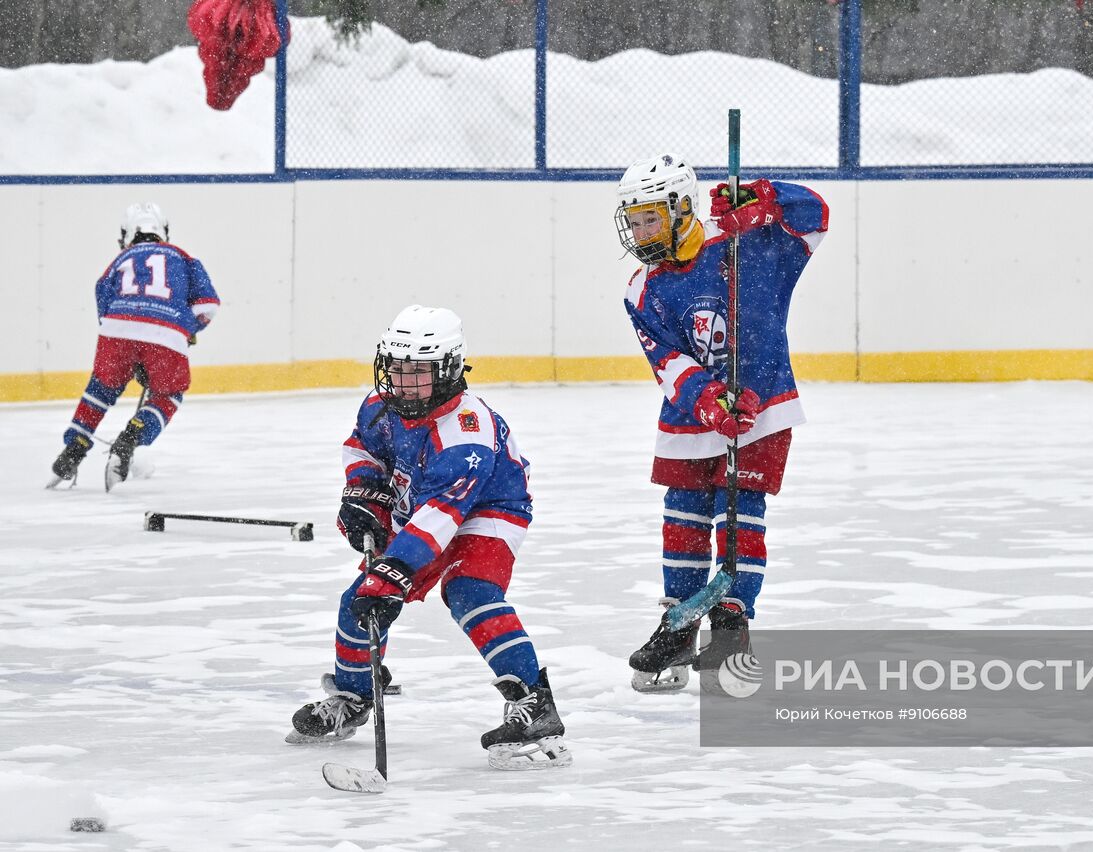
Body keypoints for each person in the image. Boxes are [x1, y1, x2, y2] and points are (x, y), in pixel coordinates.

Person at [286, 305, 571, 771]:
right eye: (396, 369)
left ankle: (534, 704)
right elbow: (361, 447)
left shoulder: (465, 434)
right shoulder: (381, 407)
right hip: (425, 505)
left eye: (418, 371)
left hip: (487, 511)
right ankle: (354, 697)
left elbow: (443, 514)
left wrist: (394, 572)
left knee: (468, 592)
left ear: (450, 370)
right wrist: (365, 494)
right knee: (357, 601)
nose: (403, 382)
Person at [614, 153, 828, 694]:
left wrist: (766, 198)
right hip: (692, 414)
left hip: (764, 406)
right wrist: (708, 400)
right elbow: (667, 361)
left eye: (651, 218)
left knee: (741, 513)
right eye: (633, 220)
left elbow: (817, 215)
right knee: (682, 515)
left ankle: (731, 625)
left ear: (683, 209)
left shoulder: (747, 243)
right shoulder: (642, 287)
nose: (640, 231)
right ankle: (680, 624)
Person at [49, 202, 219, 491]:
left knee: (100, 389)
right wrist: (185, 330)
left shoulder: (117, 262)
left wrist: (131, 349)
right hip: (166, 332)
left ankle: (74, 446)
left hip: (116, 330)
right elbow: (208, 305)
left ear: (125, 235)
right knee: (168, 395)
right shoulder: (183, 257)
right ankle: (132, 438)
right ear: (163, 231)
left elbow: (104, 309)